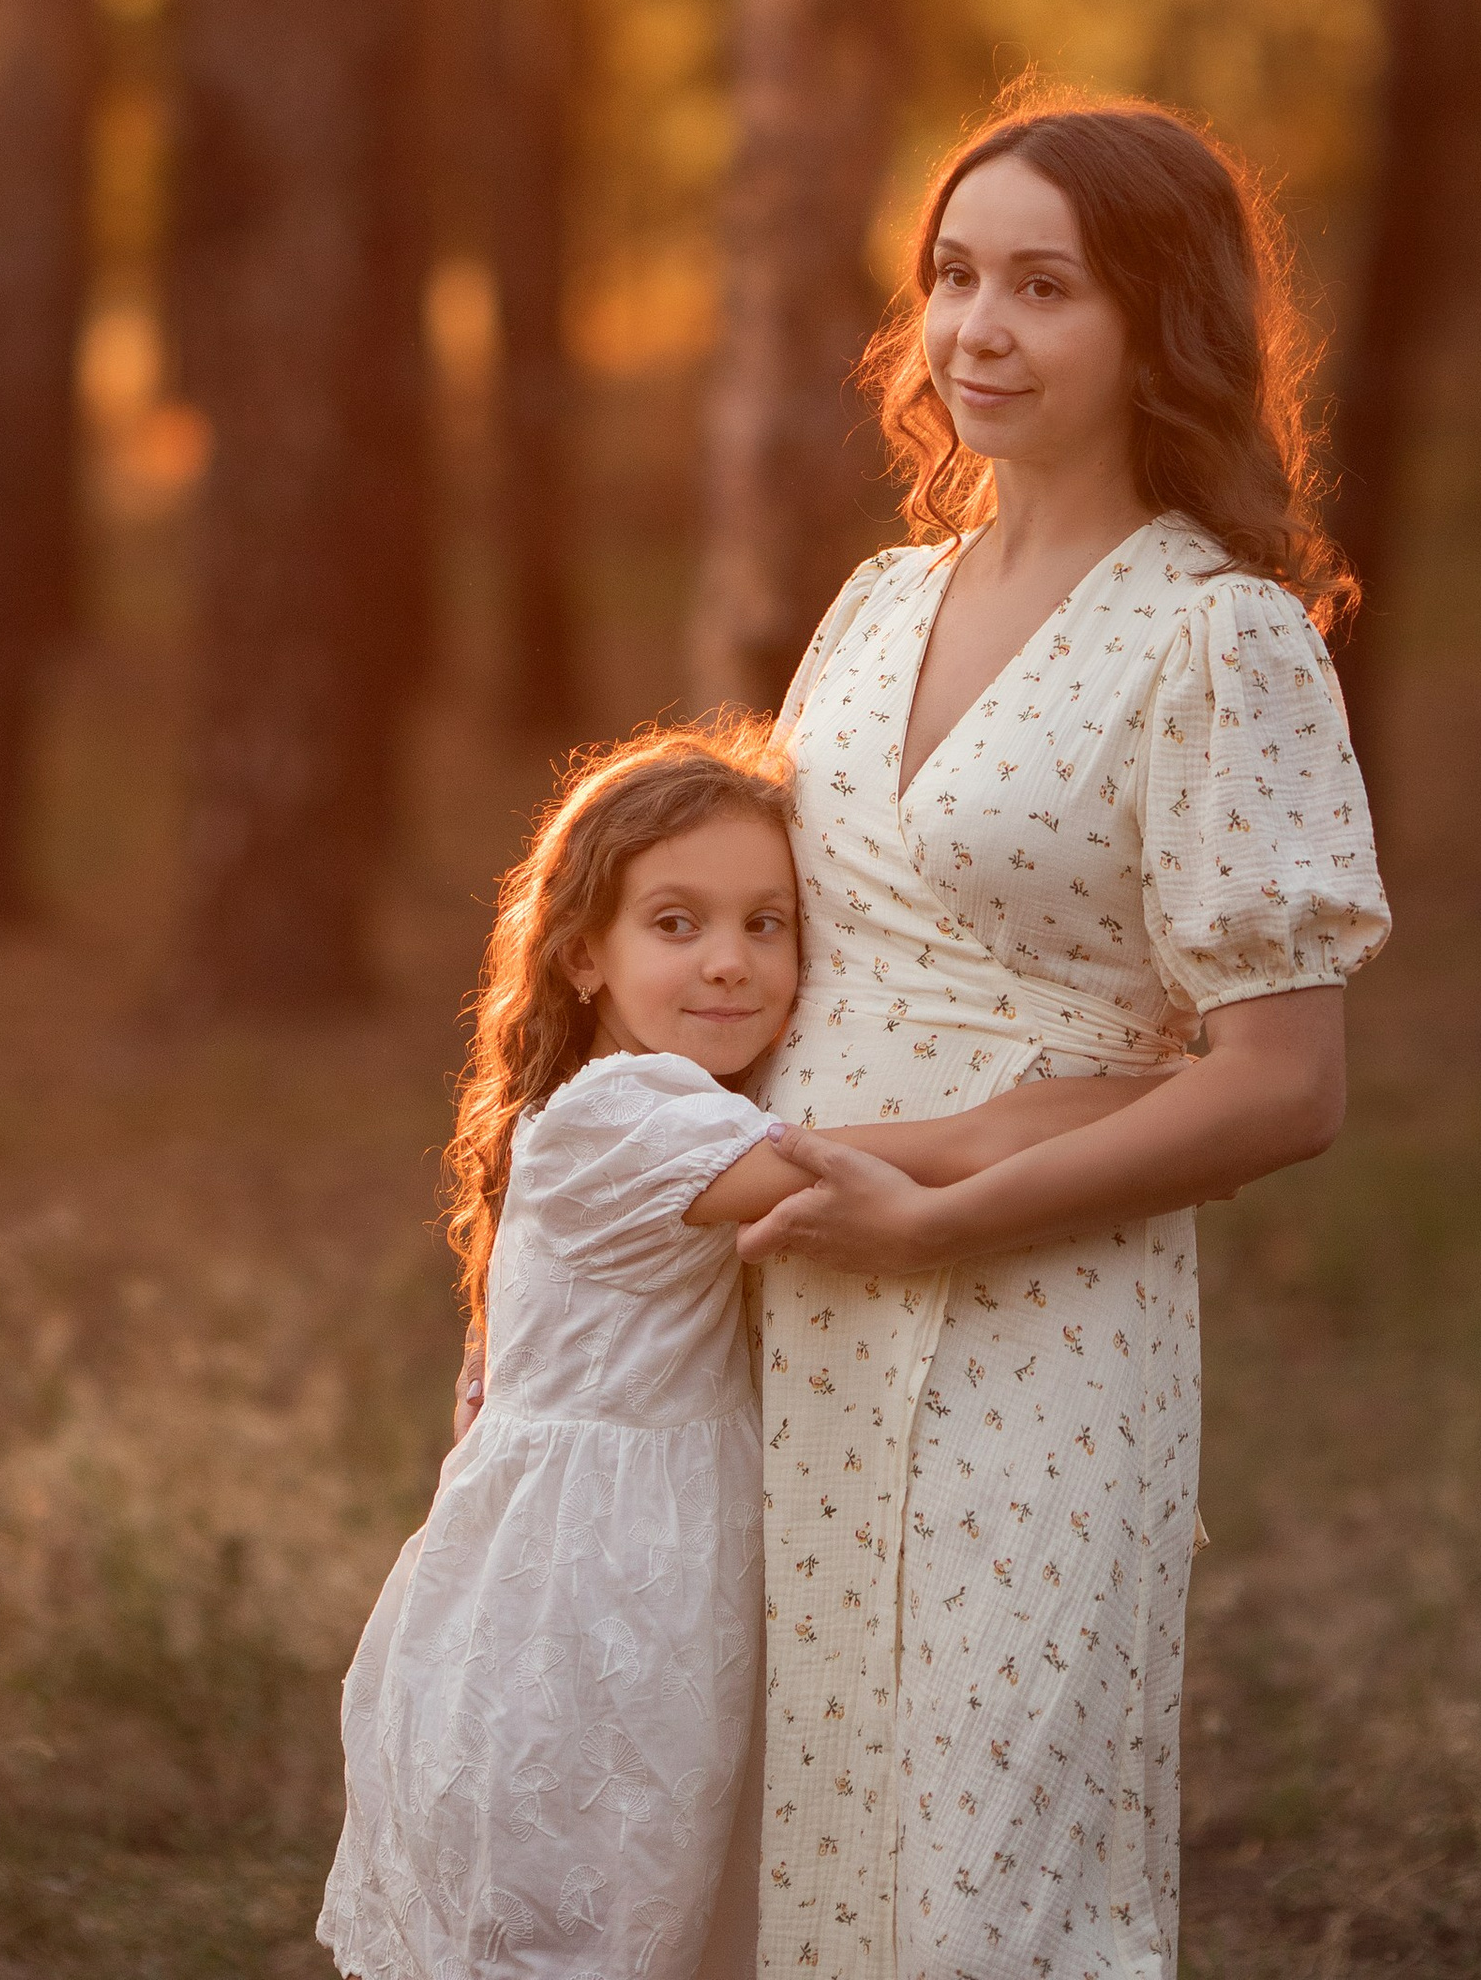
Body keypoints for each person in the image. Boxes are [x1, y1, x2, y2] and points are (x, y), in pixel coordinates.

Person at [737, 90, 1391, 1980]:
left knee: (990, 1867)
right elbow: (764, 964)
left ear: (1159, 325)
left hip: (1037, 1315)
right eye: (953, 278)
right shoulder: (875, 606)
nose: (981, 331)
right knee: (798, 1832)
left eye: (1047, 287)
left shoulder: (1220, 641)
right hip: (797, 1295)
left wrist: (942, 1213)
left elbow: (1287, 1081)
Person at [317, 728, 1167, 1980]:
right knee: (586, 1911)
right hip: (584, 1595)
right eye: (677, 924)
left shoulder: (659, 1103)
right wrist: (1152, 1098)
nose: (730, 962)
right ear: (578, 955)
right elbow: (923, 1151)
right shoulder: (614, 1118)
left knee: (669, 1896)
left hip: (648, 1562)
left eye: (766, 924)